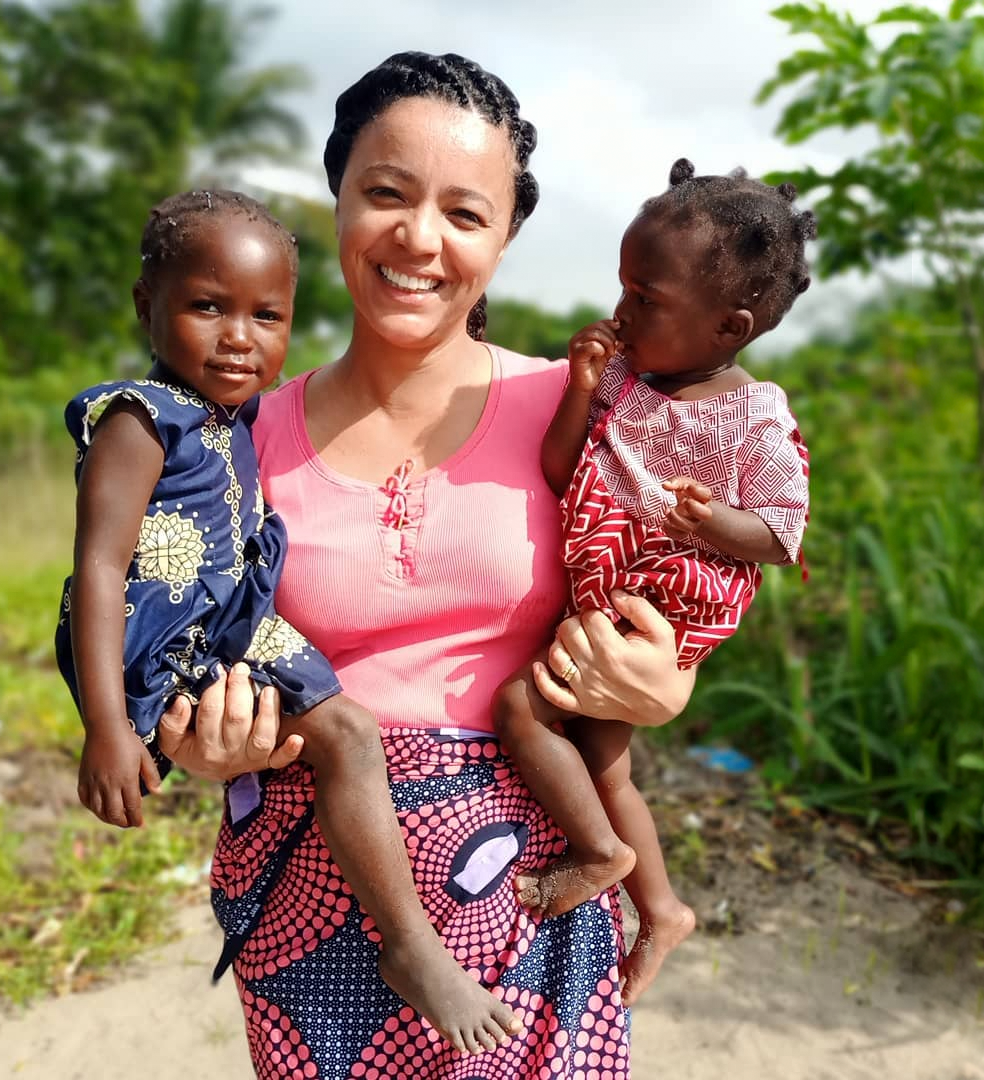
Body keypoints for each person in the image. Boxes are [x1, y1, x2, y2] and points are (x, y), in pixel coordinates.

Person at [151, 52, 697, 1078]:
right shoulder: (236, 436)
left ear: (506, 237)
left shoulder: (580, 412)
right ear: (339, 202)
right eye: (386, 195)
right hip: (317, 900)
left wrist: (667, 678)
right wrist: (202, 741)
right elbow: (181, 648)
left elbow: (667, 595)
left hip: (538, 888)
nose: (419, 239)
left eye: (464, 213)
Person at [55, 189, 524, 1050]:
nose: (240, 337)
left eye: (267, 316)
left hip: (231, 624)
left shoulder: (236, 418)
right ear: (144, 307)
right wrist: (107, 725)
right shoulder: (140, 419)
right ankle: (412, 943)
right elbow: (97, 566)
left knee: (346, 729)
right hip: (173, 643)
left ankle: (406, 938)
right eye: (207, 307)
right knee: (348, 733)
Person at [494, 159, 816, 1006]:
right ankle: (658, 905)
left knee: (524, 709)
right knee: (602, 760)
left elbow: (782, 532)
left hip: (666, 599)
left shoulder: (755, 415)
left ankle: (608, 861)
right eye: (624, 290)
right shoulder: (626, 384)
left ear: (728, 326)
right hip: (606, 583)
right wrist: (581, 390)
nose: (623, 313)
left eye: (648, 299)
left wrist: (712, 521)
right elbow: (563, 470)